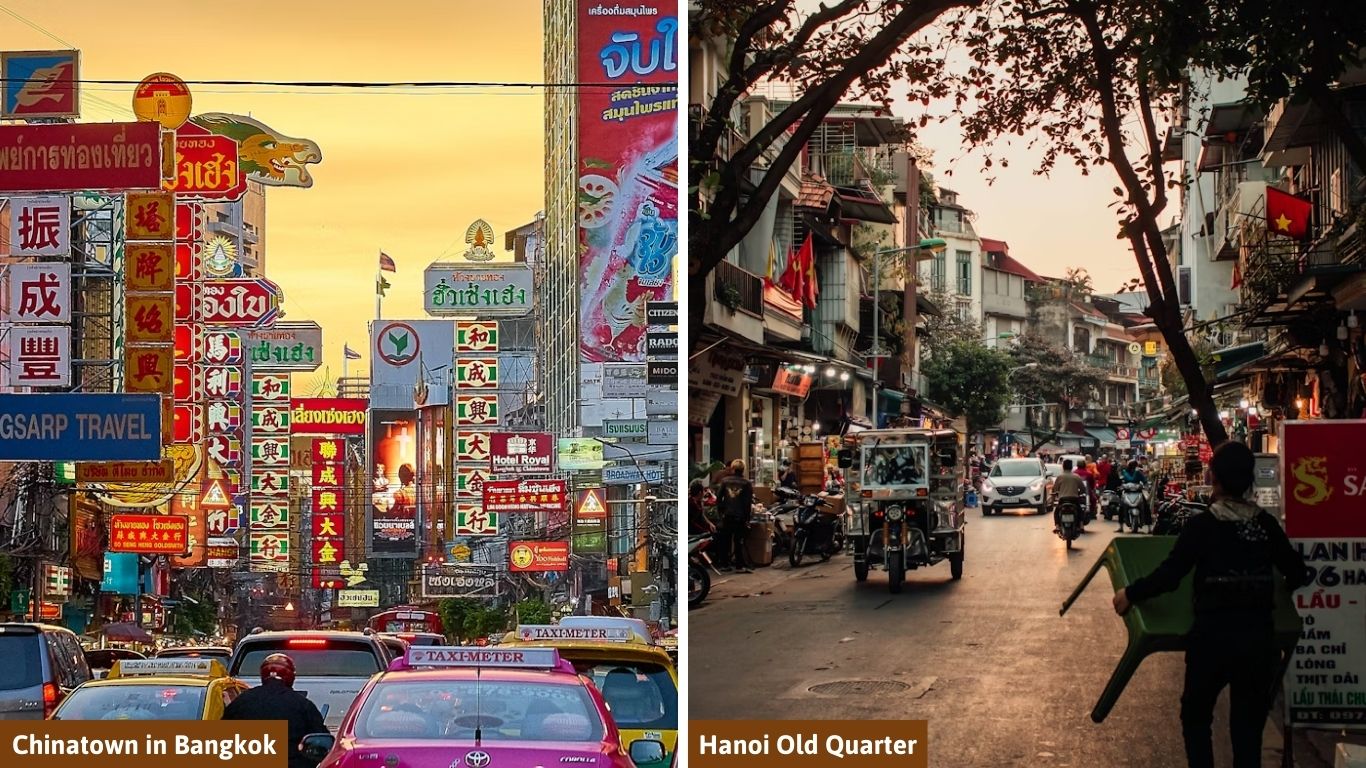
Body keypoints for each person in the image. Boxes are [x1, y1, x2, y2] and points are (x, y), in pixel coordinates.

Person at [1113, 441, 1308, 768]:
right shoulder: (1266, 526)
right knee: (1248, 731)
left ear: (1213, 476)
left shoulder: (1202, 526)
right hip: (1258, 641)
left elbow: (1171, 575)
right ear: (1249, 479)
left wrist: (1130, 594)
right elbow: (1299, 573)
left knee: (1196, 717)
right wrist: (1267, 592)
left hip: (1212, 640)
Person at [223, 654, 329, 768]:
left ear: (263, 675)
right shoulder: (303, 705)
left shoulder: (241, 701)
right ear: (291, 677)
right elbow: (322, 741)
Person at [715, 459, 754, 573]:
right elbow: (747, 503)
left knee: (726, 541)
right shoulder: (746, 483)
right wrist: (747, 518)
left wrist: (721, 512)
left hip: (727, 515)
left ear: (733, 468)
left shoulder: (725, 481)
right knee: (738, 541)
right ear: (743, 469)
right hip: (740, 516)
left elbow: (718, 498)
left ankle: (724, 564)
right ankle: (739, 566)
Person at [1051, 459, 1087, 532]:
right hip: (1074, 499)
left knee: (1056, 511)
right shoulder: (1076, 476)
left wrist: (1054, 496)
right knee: (1080, 510)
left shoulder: (1060, 477)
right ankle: (1081, 525)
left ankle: (1057, 526)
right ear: (1071, 467)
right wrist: (1079, 493)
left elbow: (1054, 489)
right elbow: (1083, 488)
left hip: (1063, 499)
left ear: (1063, 467)